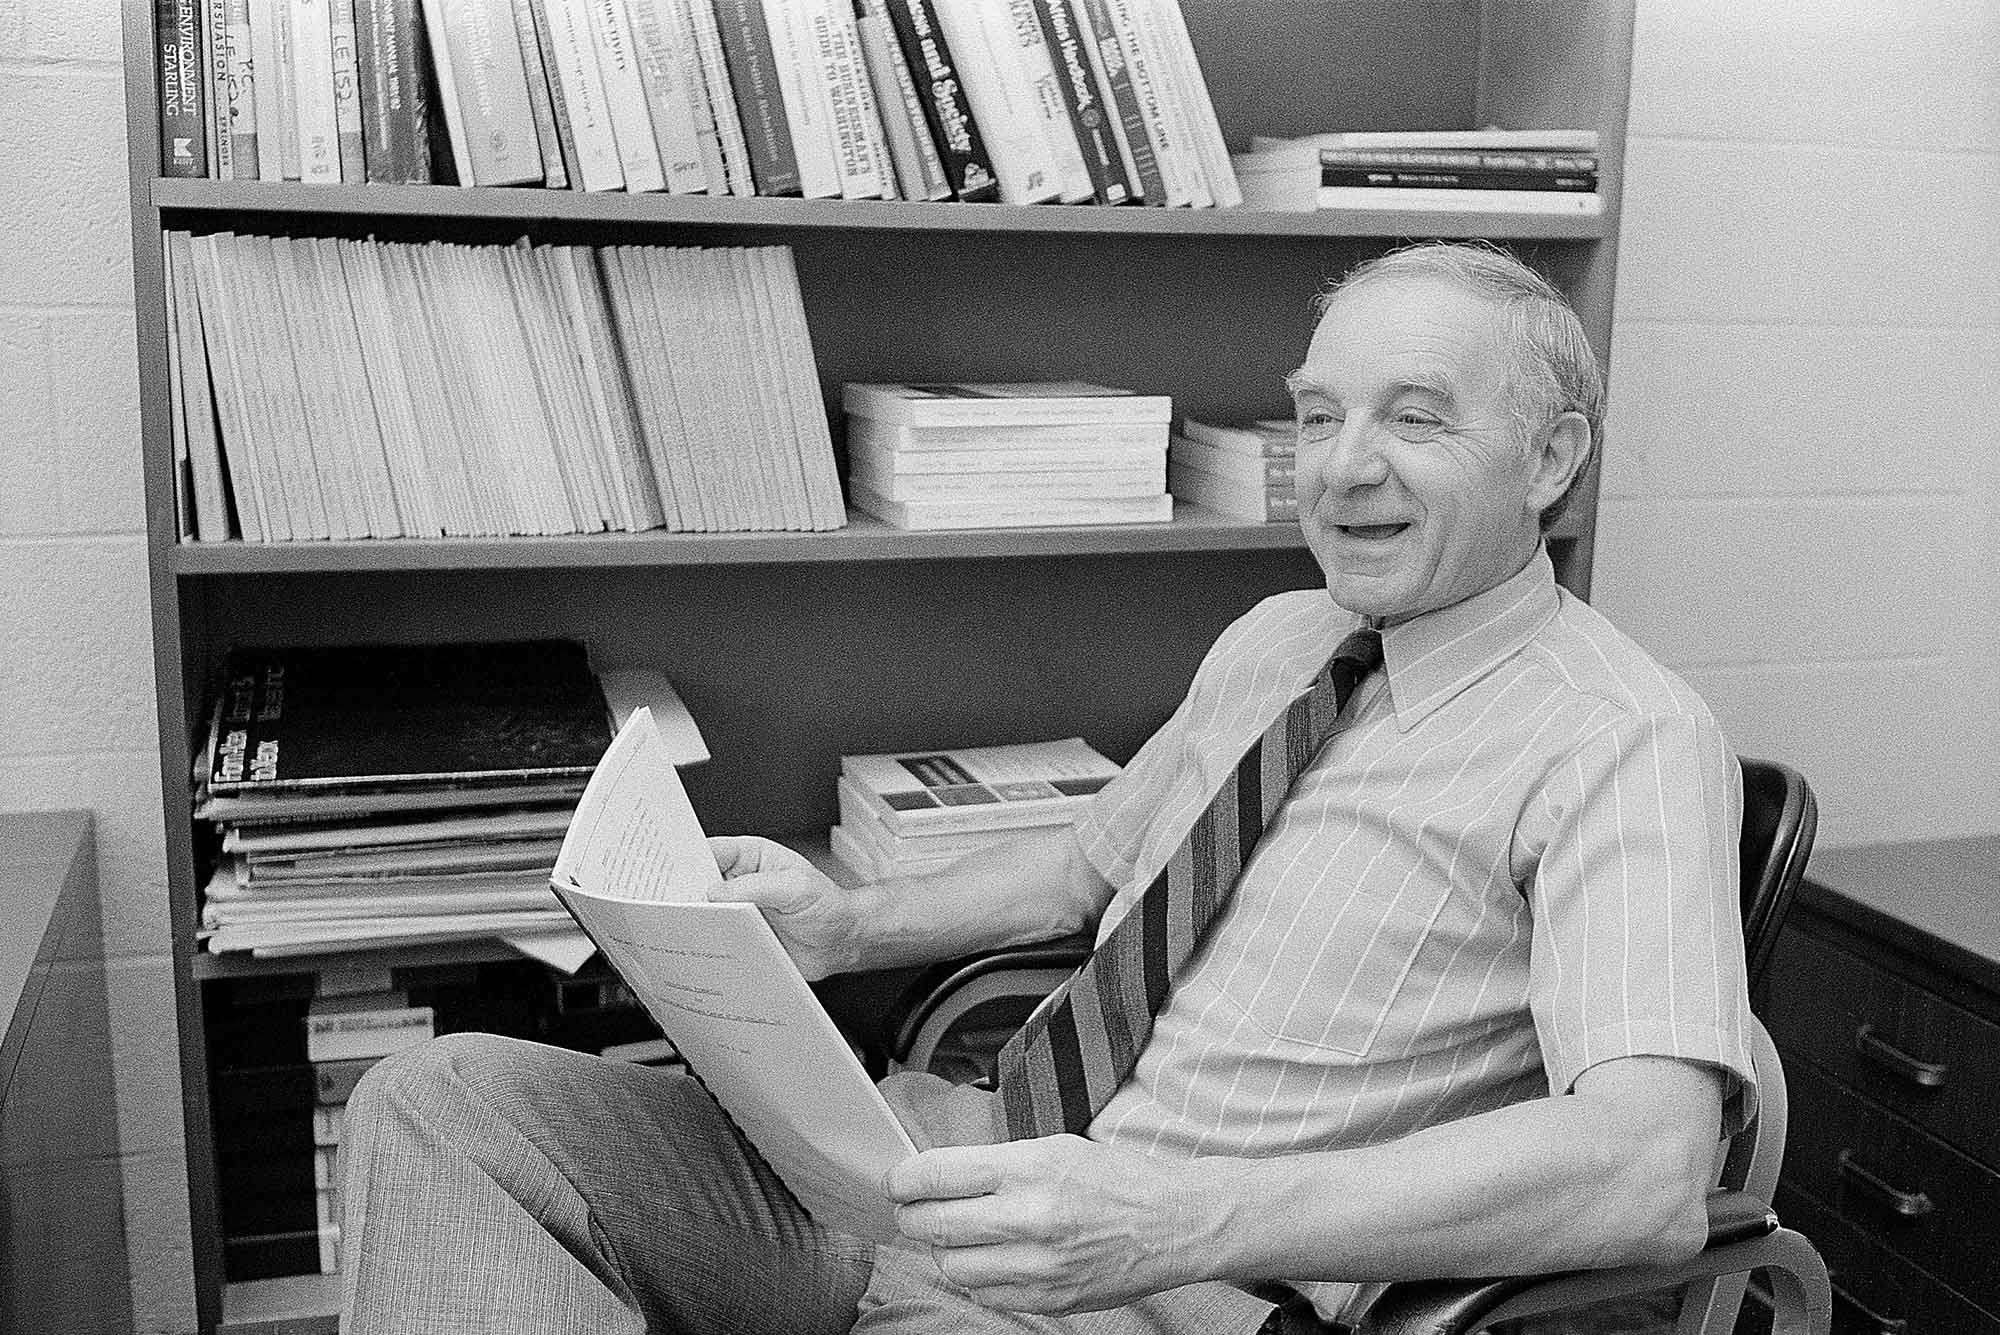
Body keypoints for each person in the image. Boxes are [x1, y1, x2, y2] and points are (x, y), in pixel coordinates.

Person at [339, 241, 1755, 1335]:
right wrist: (845, 927)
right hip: (947, 1167)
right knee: (440, 1103)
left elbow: (1644, 1168)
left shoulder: (1621, 740)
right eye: (1319, 418)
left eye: (1416, 420)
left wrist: (1178, 1222)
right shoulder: (1284, 639)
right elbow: (1091, 865)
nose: (1344, 470)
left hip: (1166, 1289)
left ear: (1553, 456)